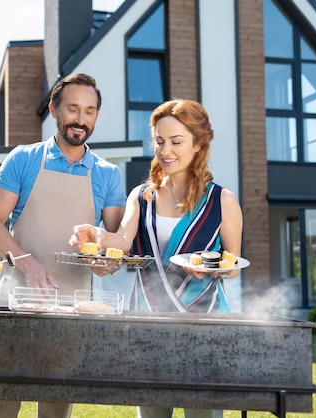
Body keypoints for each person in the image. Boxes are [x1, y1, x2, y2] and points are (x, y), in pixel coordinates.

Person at [70, 99, 244, 418]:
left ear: (199, 144)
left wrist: (216, 270)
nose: (166, 151)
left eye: (176, 142)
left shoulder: (223, 201)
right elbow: (122, 242)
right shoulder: (142, 196)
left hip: (204, 327)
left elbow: (232, 264)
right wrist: (93, 234)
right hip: (147, 323)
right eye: (160, 141)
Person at [0, 72, 127, 418]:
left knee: (56, 409)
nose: (81, 119)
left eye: (90, 111)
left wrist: (106, 263)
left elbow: (115, 245)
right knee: (1, 401)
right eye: (73, 108)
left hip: (74, 304)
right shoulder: (23, 159)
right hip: (16, 297)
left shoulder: (108, 174)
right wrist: (30, 265)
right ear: (54, 110)